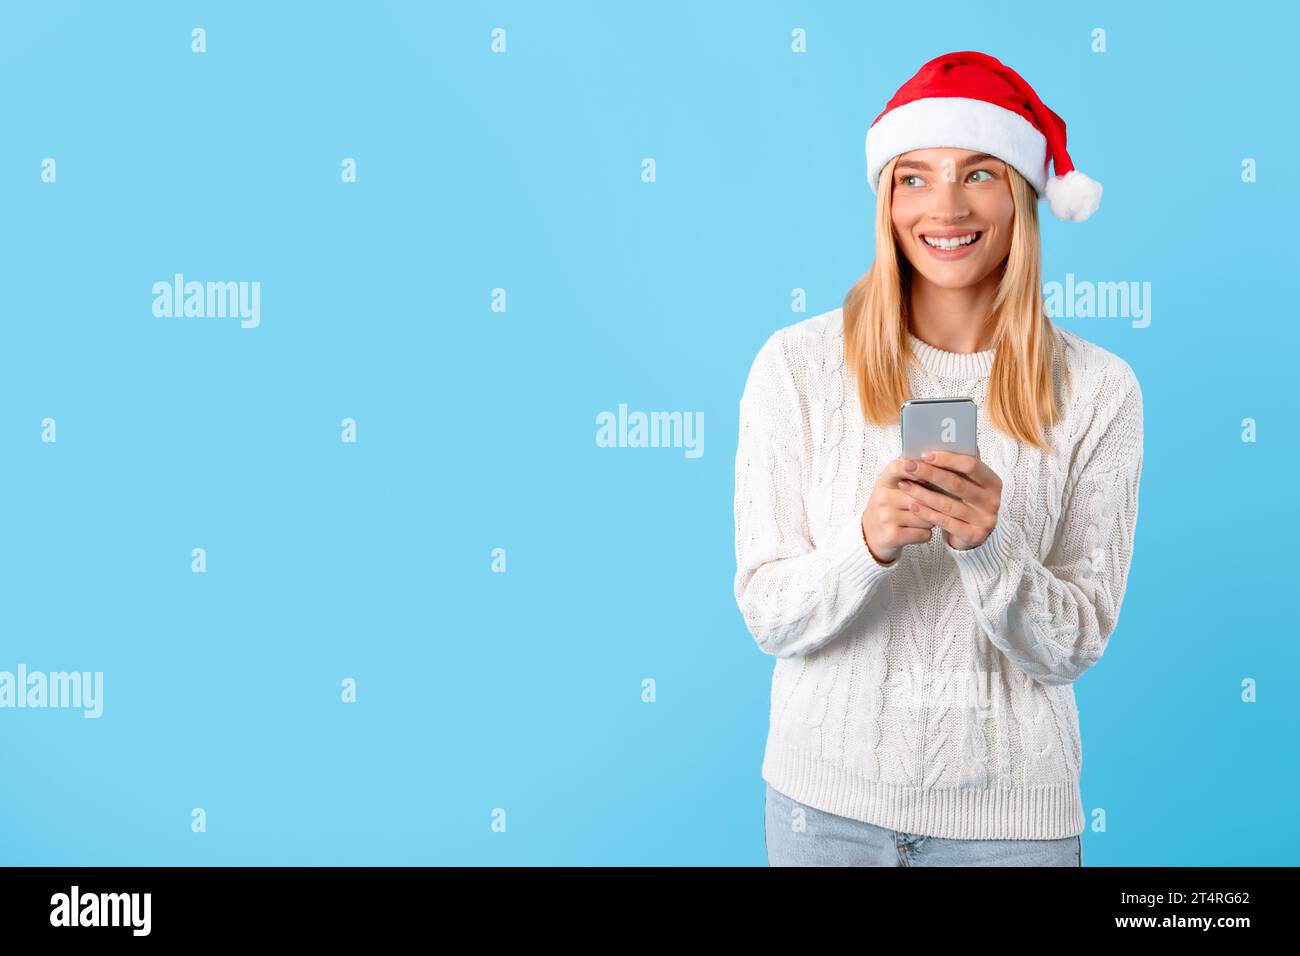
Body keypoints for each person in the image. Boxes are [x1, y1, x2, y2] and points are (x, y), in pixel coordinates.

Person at [733, 51, 1142, 866]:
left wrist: (992, 547)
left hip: (1009, 828)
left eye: (979, 173)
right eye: (914, 177)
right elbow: (768, 613)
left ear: (1022, 196)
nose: (945, 206)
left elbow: (1076, 644)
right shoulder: (796, 364)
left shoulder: (1102, 390)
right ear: (885, 200)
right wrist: (867, 545)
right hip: (824, 811)